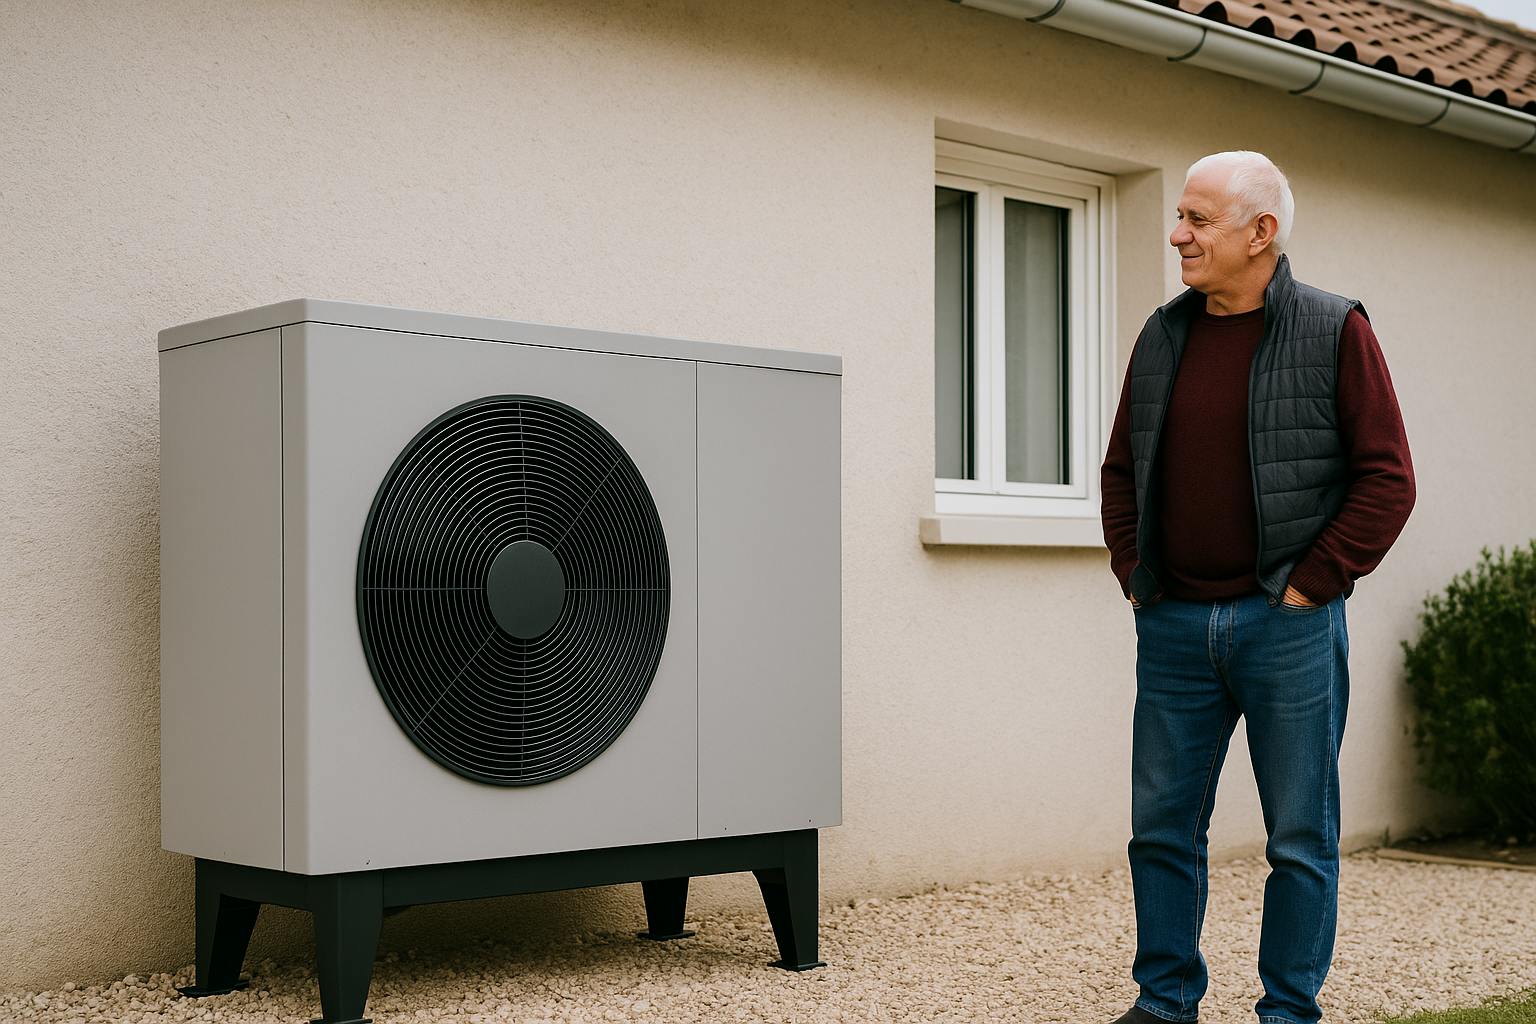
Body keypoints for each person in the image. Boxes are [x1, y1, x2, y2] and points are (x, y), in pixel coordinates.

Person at [1098, 150, 1416, 1024]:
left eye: (1198, 220)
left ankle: (1288, 1012)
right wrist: (1136, 573)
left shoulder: (1333, 327)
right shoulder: (1162, 335)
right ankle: (1165, 1003)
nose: (1178, 235)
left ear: (1260, 232)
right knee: (1161, 832)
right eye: (1180, 217)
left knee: (1299, 840)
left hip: (1289, 629)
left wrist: (1314, 585)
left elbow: (1387, 478)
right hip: (1172, 628)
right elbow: (1122, 469)